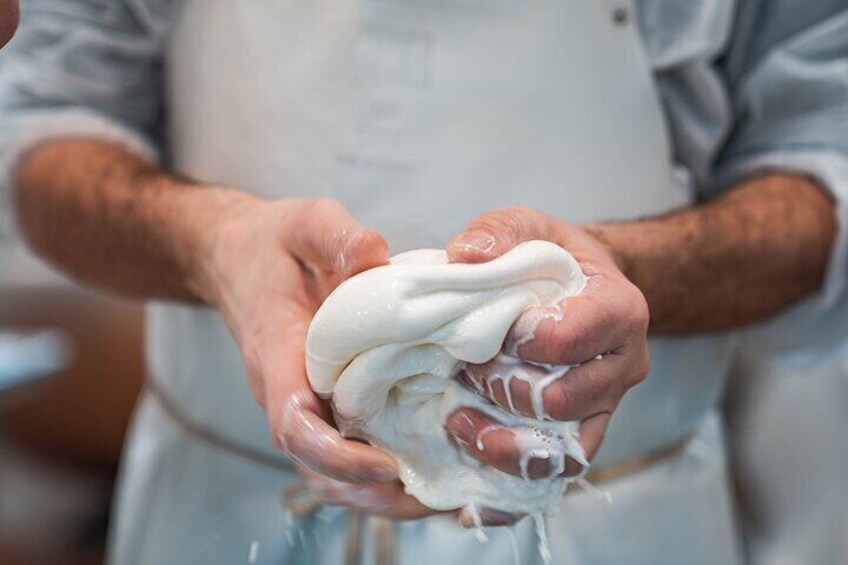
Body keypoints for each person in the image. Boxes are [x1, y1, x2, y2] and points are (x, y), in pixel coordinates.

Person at [1, 1, 846, 563]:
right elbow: (40, 127)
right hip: (218, 516)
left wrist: (632, 269)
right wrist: (207, 241)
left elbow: (825, 167)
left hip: (618, 527)